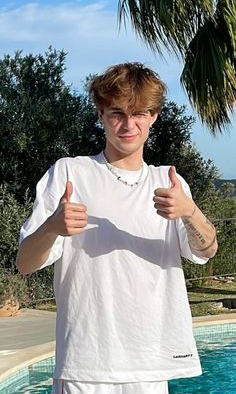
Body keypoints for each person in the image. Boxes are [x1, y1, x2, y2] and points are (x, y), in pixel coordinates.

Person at [16, 62, 218, 394]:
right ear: (100, 113)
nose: (128, 124)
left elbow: (207, 250)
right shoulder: (70, 174)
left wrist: (189, 211)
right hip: (85, 366)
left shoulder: (169, 182)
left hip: (150, 365)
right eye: (117, 113)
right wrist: (52, 226)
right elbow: (24, 263)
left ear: (153, 116)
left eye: (139, 113)